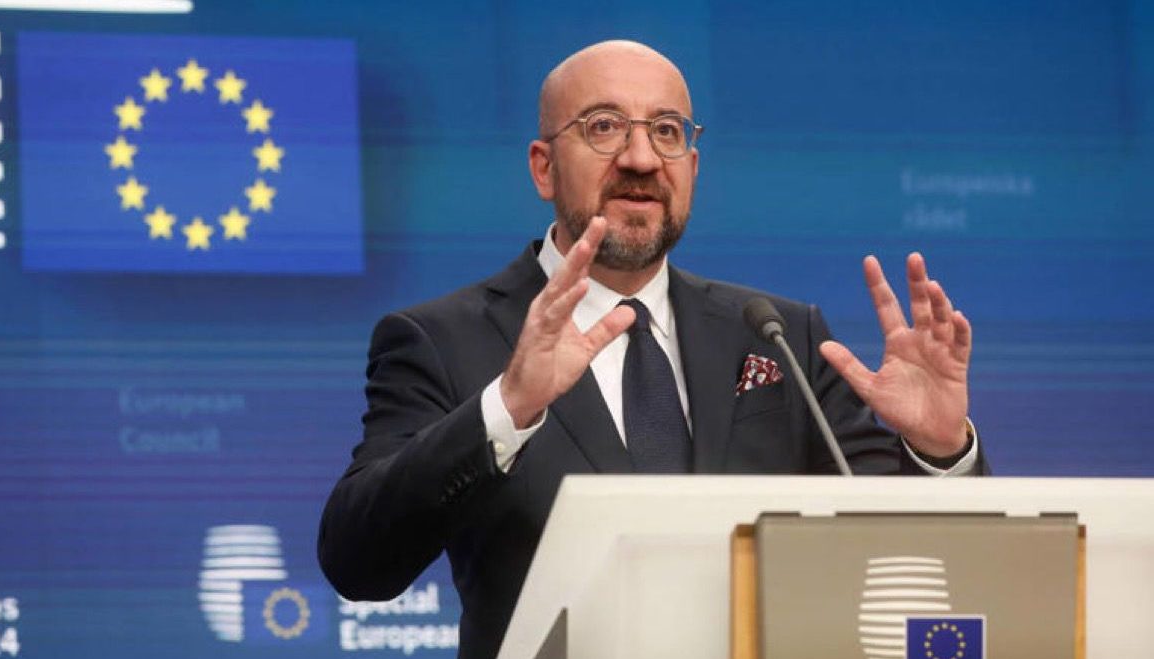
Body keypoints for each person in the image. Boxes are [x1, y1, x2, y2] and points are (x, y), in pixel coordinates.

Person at [318, 40, 986, 659]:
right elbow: (358, 563)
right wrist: (506, 408)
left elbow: (907, 559)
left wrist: (937, 449)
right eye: (604, 126)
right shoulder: (442, 339)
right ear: (544, 167)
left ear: (691, 167)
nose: (641, 159)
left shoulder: (779, 334)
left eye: (666, 131)